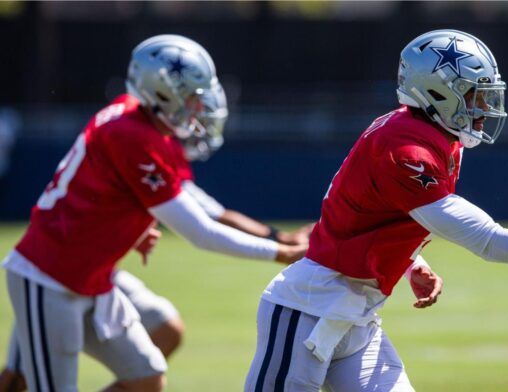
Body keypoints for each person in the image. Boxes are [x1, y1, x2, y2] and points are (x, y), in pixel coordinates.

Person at [244, 29, 508, 392]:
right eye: (474, 94)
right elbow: (487, 240)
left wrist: (407, 261)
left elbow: (370, 215)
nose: (483, 106)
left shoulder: (429, 133)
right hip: (309, 309)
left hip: (358, 314)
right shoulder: (407, 148)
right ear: (438, 91)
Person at [2, 34, 307, 392]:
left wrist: (275, 237)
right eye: (192, 97)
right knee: (23, 381)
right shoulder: (134, 136)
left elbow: (187, 203)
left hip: (91, 274)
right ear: (161, 94)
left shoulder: (144, 126)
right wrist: (282, 253)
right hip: (51, 276)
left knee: (146, 378)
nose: (200, 106)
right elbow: (200, 232)